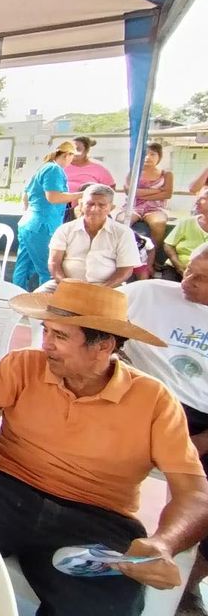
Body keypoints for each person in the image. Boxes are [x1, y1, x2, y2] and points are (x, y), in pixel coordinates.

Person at [0, 280, 208, 616]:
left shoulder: (154, 400)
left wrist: (164, 543)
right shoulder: (24, 365)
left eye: (60, 336)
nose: (45, 344)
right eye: (47, 331)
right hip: (0, 486)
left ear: (103, 345)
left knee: (106, 607)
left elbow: (195, 495)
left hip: (95, 517)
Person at [123, 244, 208, 604]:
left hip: (200, 419)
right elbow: (92, 319)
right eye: (190, 270)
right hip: (143, 401)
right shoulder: (148, 294)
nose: (187, 280)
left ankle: (188, 580)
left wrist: (196, 444)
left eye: (202, 278)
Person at [12, 141, 83, 290]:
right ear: (67, 155)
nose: (72, 160)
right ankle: (44, 301)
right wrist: (82, 194)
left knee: (23, 267)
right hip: (42, 226)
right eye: (72, 156)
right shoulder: (54, 169)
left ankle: (15, 295)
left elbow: (25, 197)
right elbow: (53, 197)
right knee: (48, 269)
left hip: (29, 224)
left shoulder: (43, 168)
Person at [43, 184, 140, 291]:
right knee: (34, 297)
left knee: (128, 299)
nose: (94, 209)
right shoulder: (64, 229)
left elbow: (126, 270)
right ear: (81, 205)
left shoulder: (123, 232)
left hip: (108, 287)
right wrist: (65, 284)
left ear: (111, 208)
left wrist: (100, 289)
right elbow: (54, 263)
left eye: (102, 205)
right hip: (66, 284)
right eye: (90, 204)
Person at [127, 142, 174, 251]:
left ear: (159, 156)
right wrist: (158, 191)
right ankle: (125, 252)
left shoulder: (166, 174)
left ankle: (153, 255)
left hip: (156, 208)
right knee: (122, 221)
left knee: (158, 223)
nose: (148, 157)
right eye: (145, 154)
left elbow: (167, 194)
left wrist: (140, 194)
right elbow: (130, 192)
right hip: (133, 206)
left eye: (152, 154)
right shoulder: (133, 172)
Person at [164, 187, 208, 275]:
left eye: (203, 199)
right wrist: (179, 267)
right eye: (198, 198)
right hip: (177, 268)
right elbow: (168, 245)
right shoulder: (187, 222)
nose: (197, 202)